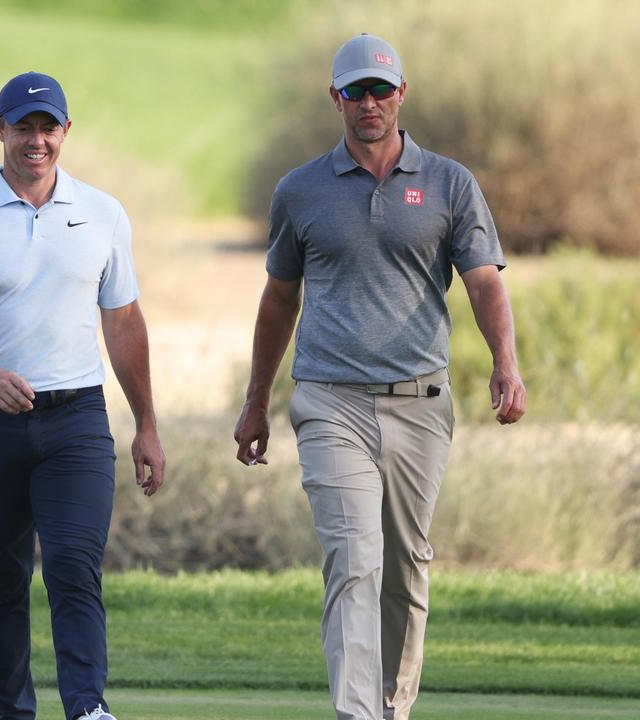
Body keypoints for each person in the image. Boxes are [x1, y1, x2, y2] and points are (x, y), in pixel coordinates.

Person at [233, 34, 526, 720]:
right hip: (329, 400)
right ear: (335, 98)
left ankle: (393, 708)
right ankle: (357, 714)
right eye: (355, 91)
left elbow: (484, 283)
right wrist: (256, 403)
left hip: (420, 403)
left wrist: (506, 366)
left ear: (402, 94)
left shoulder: (450, 183)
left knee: (403, 567)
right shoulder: (299, 190)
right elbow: (280, 300)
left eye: (380, 90)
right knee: (353, 557)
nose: (369, 103)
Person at [0, 71, 164, 720]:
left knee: (71, 565)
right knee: (2, 579)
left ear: (65, 132)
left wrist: (146, 424)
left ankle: (87, 708)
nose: (37, 140)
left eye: (48, 127)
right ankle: (13, 713)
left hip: (77, 421)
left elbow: (123, 324)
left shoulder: (103, 214)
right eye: (23, 127)